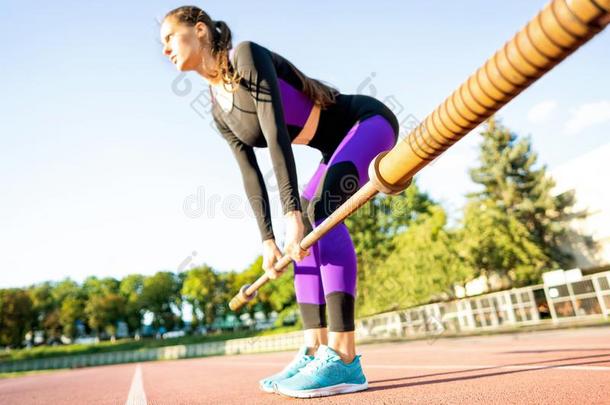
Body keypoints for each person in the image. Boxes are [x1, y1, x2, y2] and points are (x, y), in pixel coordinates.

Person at [160, 6, 399, 399]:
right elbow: (249, 173)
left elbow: (275, 136)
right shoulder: (218, 107)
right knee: (300, 236)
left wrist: (291, 214)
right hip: (332, 146)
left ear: (199, 30)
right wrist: (268, 240)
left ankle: (343, 357)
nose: (165, 48)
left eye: (170, 36)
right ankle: (312, 349)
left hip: (366, 123)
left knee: (317, 215)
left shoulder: (246, 57)